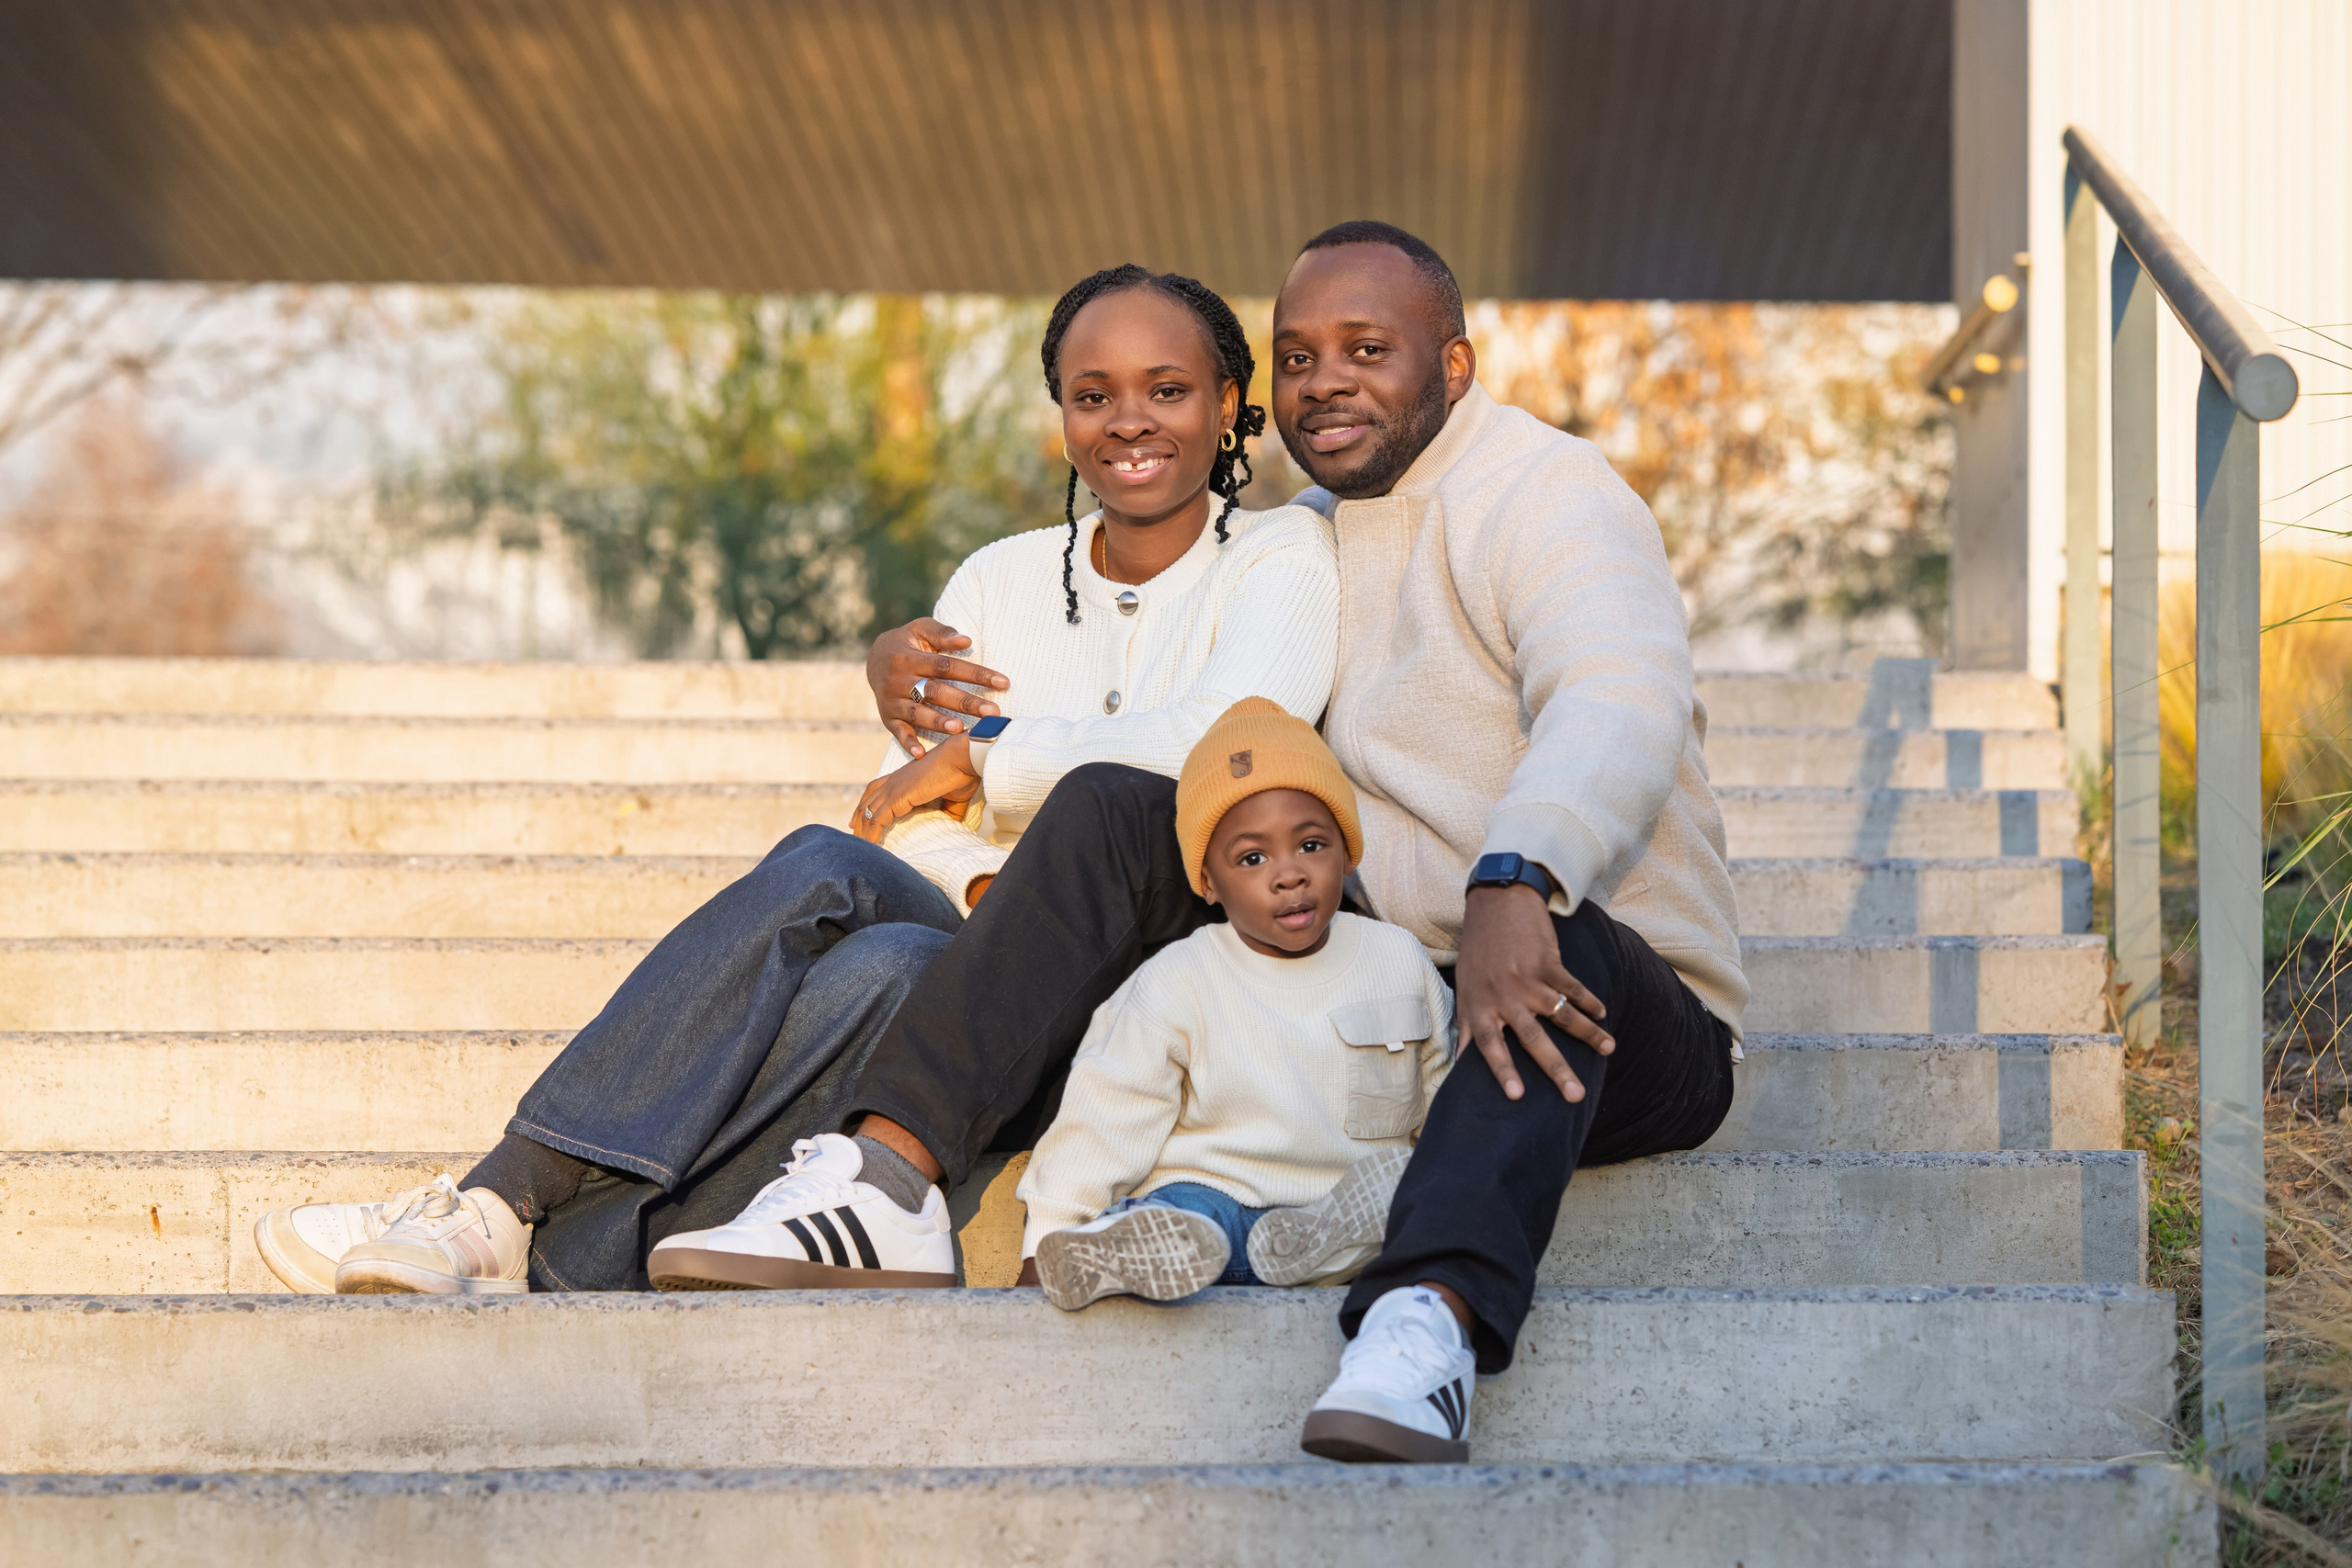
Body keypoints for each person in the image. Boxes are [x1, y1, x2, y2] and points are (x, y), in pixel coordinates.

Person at [766, 220, 1745, 1466]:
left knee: (1553, 946)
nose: (1324, 381)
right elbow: (1171, 665)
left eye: (1366, 349)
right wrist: (900, 661)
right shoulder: (1312, 532)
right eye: (1297, 357)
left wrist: (1522, 870)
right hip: (1387, 984)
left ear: (1453, 364)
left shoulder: (1552, 493)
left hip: (1621, 1003)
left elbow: (1618, 695)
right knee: (1120, 802)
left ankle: (1422, 1324)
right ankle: (891, 1177)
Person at [251, 264, 1340, 1296]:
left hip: (1140, 977)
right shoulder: (999, 581)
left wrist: (985, 758)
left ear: (1230, 400)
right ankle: (496, 1211)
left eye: (1168, 390)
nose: (1130, 421)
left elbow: (1224, 749)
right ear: (1061, 410)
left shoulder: (1280, 558)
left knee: (894, 959)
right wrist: (980, 890)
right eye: (1093, 394)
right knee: (861, 917)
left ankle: (535, 1236)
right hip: (975, 972)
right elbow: (896, 818)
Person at [1008, 699, 1453, 1315]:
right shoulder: (1177, 980)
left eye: (1312, 844)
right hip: (1212, 1199)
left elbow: (1447, 1092)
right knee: (1186, 1214)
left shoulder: (1398, 959)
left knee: (1403, 1191)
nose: (1289, 874)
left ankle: (1317, 1247)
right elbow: (1104, 1115)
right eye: (1252, 857)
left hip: (1340, 1205)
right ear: (1208, 882)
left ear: (1347, 853)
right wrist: (1046, 1236)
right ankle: (1109, 1249)